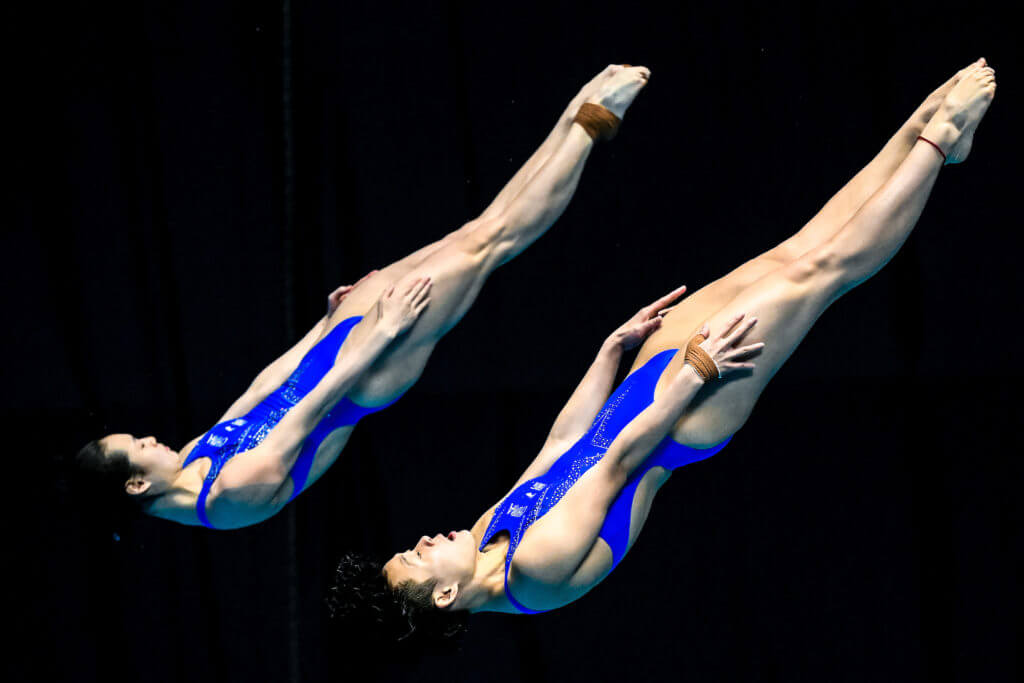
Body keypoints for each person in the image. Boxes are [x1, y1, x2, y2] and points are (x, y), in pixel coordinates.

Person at [329, 60, 996, 645]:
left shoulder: (487, 534)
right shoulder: (535, 573)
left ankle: (930, 125)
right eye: (415, 559)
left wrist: (607, 353)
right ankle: (937, 142)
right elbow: (620, 460)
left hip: (649, 385)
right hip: (684, 413)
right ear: (445, 595)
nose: (419, 541)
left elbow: (563, 445)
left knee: (797, 249)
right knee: (822, 271)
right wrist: (695, 373)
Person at [71, 64, 653, 529]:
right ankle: (593, 121)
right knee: (490, 244)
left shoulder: (191, 460)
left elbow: (262, 390)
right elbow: (316, 404)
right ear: (136, 483)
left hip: (336, 347)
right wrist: (379, 335)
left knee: (473, 233)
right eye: (140, 445)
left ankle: (581, 110)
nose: (151, 437)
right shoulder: (227, 500)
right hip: (365, 371)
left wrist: (321, 326)